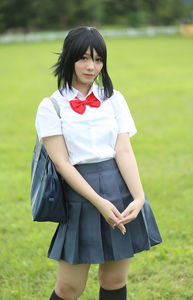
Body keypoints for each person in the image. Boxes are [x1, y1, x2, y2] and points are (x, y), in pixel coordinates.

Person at [35, 26, 162, 300]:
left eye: (98, 59)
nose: (91, 66)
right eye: (84, 58)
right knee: (69, 287)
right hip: (80, 196)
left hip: (120, 192)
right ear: (69, 57)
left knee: (114, 280)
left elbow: (124, 151)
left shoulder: (113, 98)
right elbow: (62, 164)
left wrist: (139, 197)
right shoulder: (51, 106)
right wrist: (98, 202)